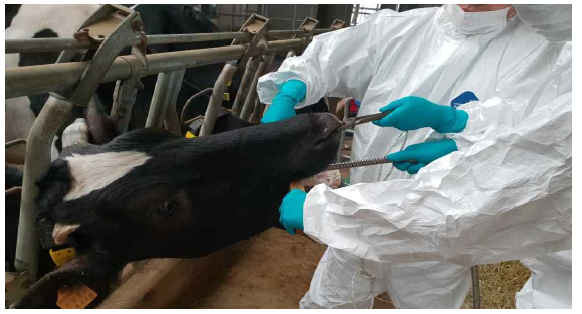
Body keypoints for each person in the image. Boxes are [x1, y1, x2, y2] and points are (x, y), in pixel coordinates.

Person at [256, 4, 572, 309]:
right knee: (329, 302)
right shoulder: (402, 28)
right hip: (359, 207)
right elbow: (326, 58)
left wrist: (458, 141)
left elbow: (525, 141)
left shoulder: (546, 51)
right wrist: (290, 89)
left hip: (435, 244)